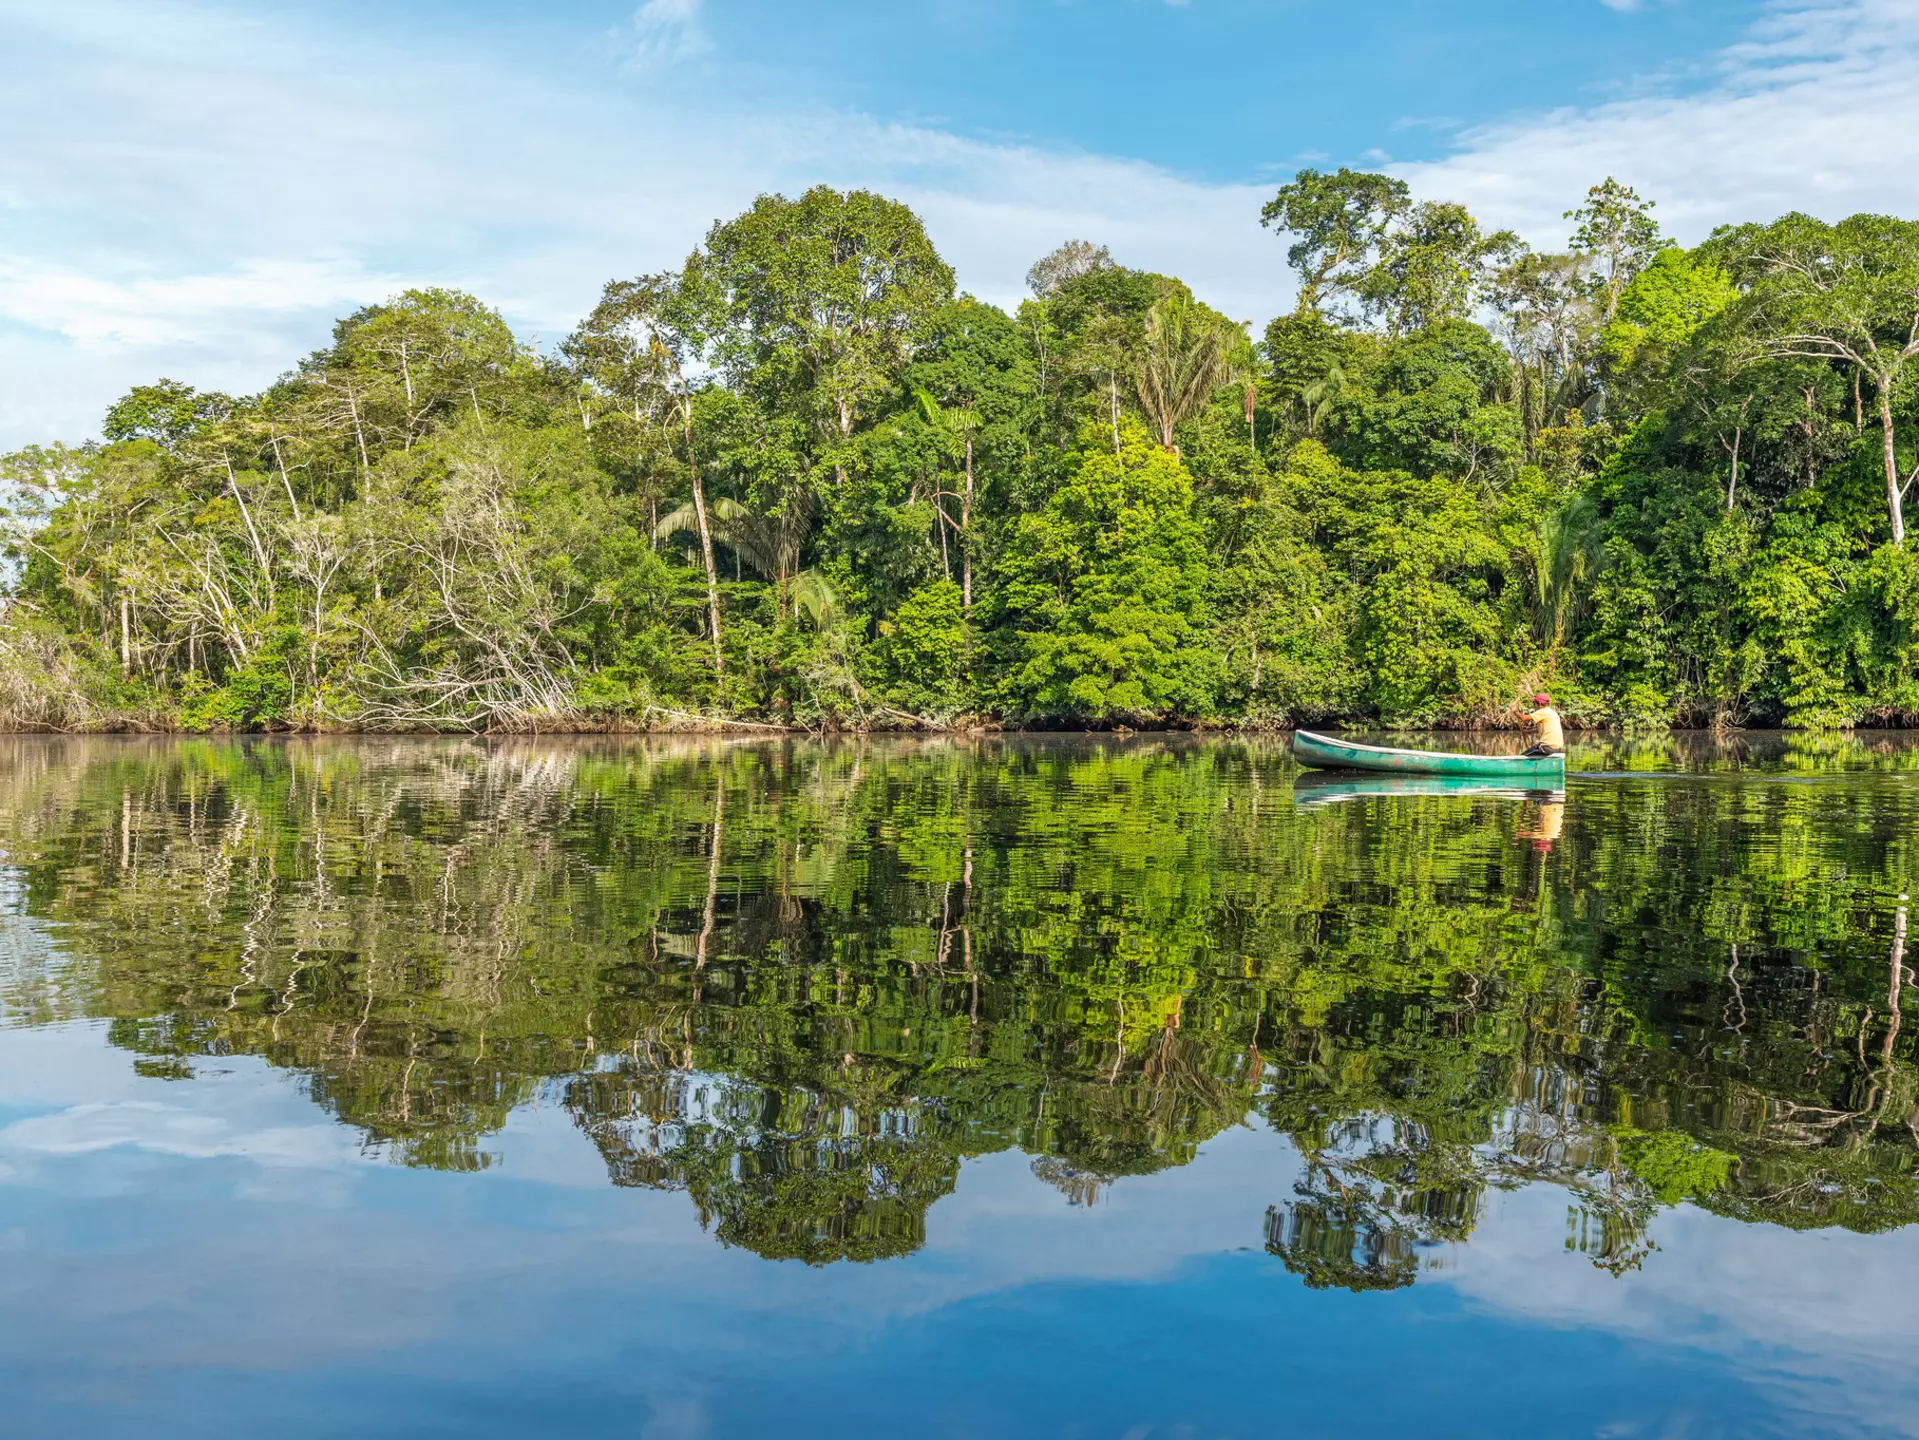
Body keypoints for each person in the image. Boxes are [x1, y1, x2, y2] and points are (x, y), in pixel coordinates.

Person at [1523, 692, 1564, 757]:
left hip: (1546, 748)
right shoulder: (1552, 712)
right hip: (1557, 749)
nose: (1535, 706)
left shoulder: (1543, 711)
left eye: (1534, 703)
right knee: (1531, 751)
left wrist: (1516, 712)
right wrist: (1529, 732)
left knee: (1523, 756)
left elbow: (1524, 718)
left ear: (1539, 704)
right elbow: (1547, 729)